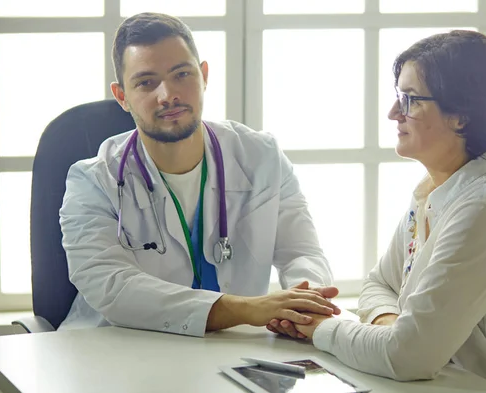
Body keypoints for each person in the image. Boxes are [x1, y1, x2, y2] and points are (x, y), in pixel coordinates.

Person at [293, 30, 486, 393]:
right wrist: (391, 324)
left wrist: (319, 327)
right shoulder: (434, 193)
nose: (393, 113)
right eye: (399, 97)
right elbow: (378, 284)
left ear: (460, 116)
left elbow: (405, 357)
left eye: (410, 99)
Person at [58, 12, 340, 338]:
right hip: (116, 352)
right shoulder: (92, 182)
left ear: (204, 75)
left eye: (181, 74)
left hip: (230, 351)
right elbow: (112, 286)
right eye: (146, 82)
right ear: (122, 96)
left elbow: (302, 253)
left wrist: (304, 302)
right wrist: (248, 309)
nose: (168, 95)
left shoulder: (261, 157)